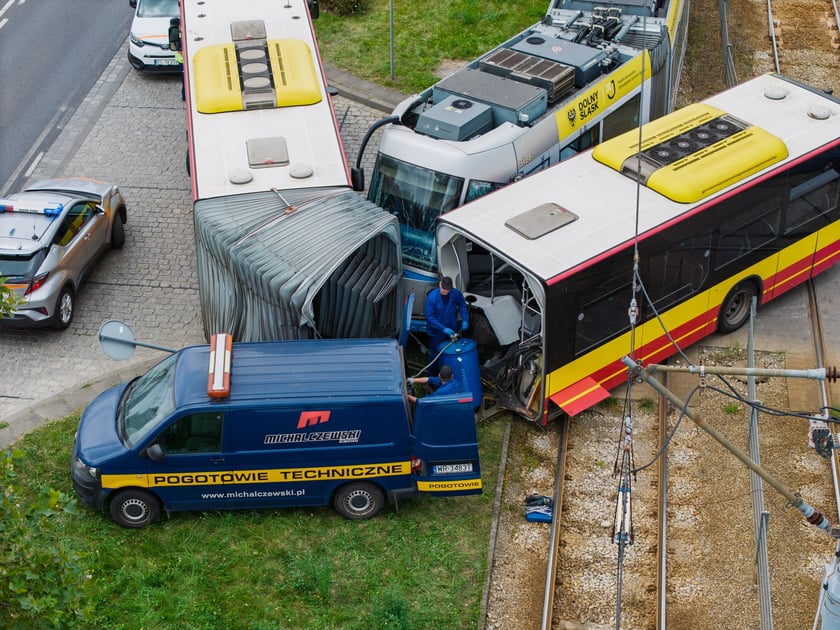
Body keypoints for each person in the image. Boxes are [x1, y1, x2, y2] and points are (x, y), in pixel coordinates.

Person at [424, 276, 469, 373]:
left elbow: (462, 304)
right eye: (444, 289)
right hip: (437, 331)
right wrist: (443, 328)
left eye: (448, 290)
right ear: (440, 284)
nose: (446, 292)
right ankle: (433, 375)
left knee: (452, 350)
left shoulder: (455, 293)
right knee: (435, 352)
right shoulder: (432, 297)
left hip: (452, 327)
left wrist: (465, 319)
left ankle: (449, 372)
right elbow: (429, 317)